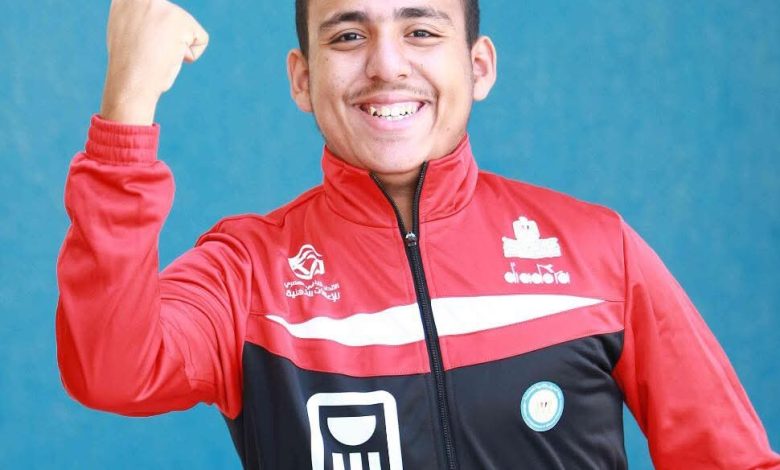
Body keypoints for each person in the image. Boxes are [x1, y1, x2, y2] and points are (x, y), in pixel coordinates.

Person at [56, 0, 779, 468]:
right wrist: (129, 105)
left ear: (479, 66)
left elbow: (733, 459)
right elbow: (111, 370)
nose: (387, 65)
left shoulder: (598, 251)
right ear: (302, 80)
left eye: (421, 31)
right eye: (349, 35)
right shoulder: (248, 274)